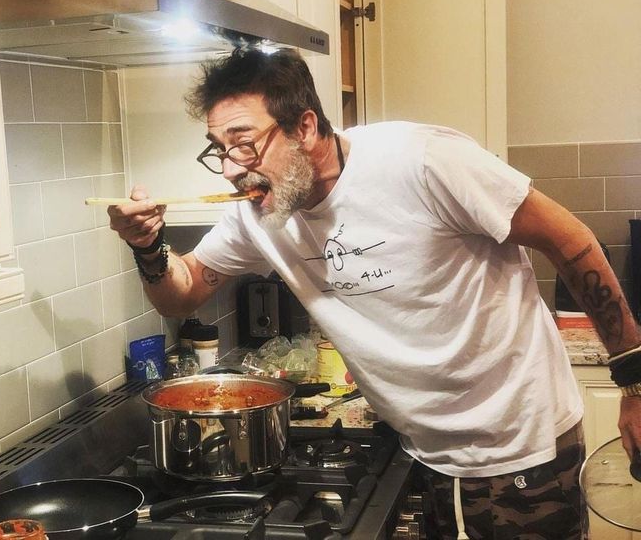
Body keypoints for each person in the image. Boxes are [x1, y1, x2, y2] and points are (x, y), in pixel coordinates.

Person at [108, 48, 641, 539]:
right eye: (219, 150)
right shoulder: (258, 214)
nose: (230, 168)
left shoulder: (423, 161)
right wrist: (149, 247)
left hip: (520, 449)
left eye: (245, 144)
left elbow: (571, 241)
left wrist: (635, 381)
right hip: (422, 454)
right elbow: (184, 294)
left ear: (305, 127)